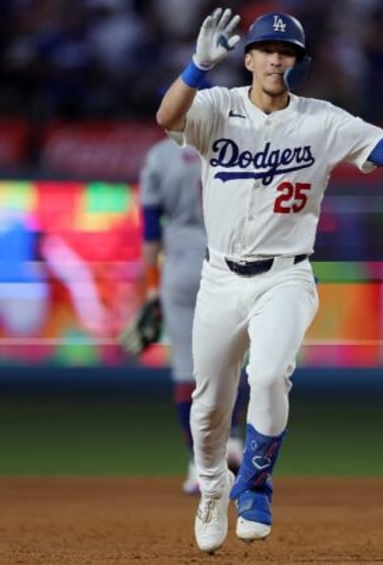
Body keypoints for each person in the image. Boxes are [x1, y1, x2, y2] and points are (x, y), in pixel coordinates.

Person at [155, 7, 383, 554]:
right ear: (248, 58)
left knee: (271, 374)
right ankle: (211, 487)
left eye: (288, 52)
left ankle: (254, 486)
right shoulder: (216, 106)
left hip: (286, 275)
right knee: (208, 409)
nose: (277, 58)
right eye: (268, 49)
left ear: (298, 63)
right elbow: (167, 118)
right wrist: (197, 67)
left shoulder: (321, 120)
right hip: (220, 278)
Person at [137, 133, 248, 495]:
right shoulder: (232, 145)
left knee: (187, 369)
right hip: (227, 260)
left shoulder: (158, 156)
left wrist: (152, 288)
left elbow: (151, 230)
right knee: (231, 361)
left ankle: (199, 465)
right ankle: (231, 438)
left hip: (181, 266)